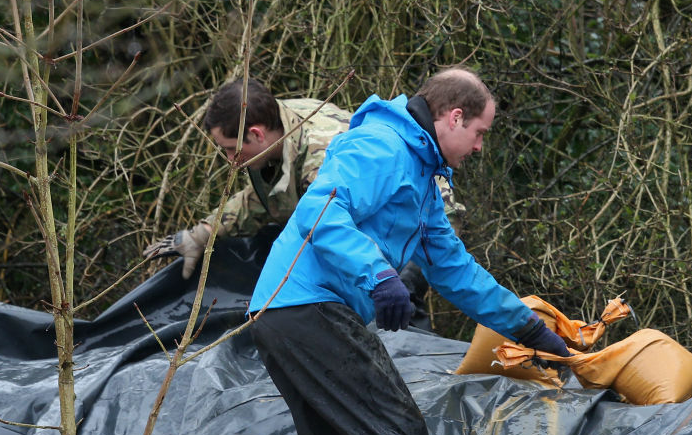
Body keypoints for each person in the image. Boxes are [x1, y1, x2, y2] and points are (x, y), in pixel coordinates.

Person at [246, 67, 571, 435]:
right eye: (480, 133)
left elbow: (455, 271)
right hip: (303, 307)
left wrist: (529, 330)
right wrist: (378, 275)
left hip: (285, 314)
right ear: (455, 118)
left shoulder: (422, 177)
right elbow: (318, 209)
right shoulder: (382, 145)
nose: (481, 146)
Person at [143, 79, 465, 287]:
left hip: (422, 225)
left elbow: (333, 229)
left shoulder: (321, 152)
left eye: (231, 149)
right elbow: (265, 199)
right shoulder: (276, 128)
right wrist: (200, 235)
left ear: (255, 134)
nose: (230, 160)